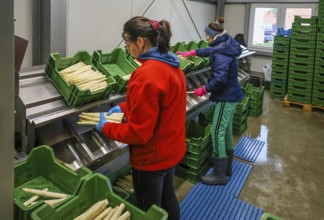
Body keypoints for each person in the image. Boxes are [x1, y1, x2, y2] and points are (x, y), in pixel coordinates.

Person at [96, 16, 186, 220]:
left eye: (128, 44)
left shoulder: (146, 75)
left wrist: (106, 128)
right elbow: (160, 105)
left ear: (140, 42)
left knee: (149, 211)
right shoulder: (172, 64)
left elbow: (138, 133)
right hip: (170, 150)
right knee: (167, 198)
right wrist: (124, 107)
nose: (128, 50)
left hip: (150, 158)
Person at [176, 17, 243, 185]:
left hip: (226, 96)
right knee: (225, 130)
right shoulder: (225, 44)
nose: (206, 38)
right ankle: (227, 167)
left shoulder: (221, 52)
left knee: (217, 131)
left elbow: (220, 79)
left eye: (207, 35)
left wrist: (204, 89)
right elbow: (211, 51)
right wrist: (193, 52)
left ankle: (219, 174)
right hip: (232, 94)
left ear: (213, 35)